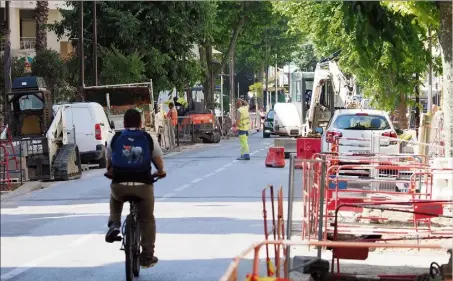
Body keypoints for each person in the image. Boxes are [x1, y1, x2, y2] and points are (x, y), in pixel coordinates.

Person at [105, 108, 166, 268]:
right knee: (147, 219)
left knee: (115, 196)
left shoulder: (116, 137)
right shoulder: (147, 137)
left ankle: (114, 223)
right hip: (143, 186)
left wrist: (113, 173)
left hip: (120, 185)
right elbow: (158, 161)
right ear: (141, 123)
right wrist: (160, 172)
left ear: (124, 123)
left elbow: (109, 165)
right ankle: (146, 257)